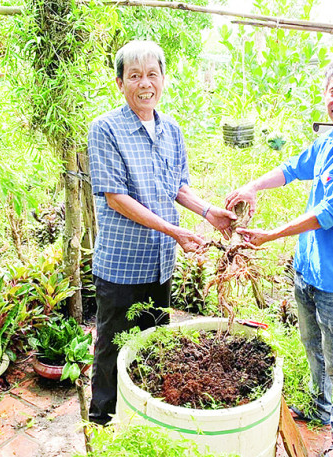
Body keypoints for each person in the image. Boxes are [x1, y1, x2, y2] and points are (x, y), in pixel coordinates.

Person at [225, 55, 333, 457]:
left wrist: (269, 236)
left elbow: (327, 214)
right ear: (326, 93)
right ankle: (320, 408)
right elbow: (293, 168)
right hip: (308, 269)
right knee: (313, 345)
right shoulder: (329, 140)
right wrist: (252, 186)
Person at [86, 40, 236, 426]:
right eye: (135, 75)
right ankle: (104, 418)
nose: (145, 83)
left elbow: (177, 186)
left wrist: (208, 212)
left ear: (164, 79)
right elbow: (116, 197)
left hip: (159, 263)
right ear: (120, 82)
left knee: (154, 343)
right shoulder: (105, 129)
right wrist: (175, 230)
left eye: (153, 74)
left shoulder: (171, 129)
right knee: (112, 346)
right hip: (121, 264)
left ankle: (145, 417)